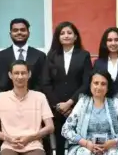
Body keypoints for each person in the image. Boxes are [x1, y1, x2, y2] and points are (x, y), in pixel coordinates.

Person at [43, 22, 93, 155]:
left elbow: (87, 83)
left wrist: (70, 103)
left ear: (75, 37)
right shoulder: (52, 55)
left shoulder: (84, 55)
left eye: (69, 33)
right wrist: (58, 105)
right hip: (56, 110)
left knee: (78, 145)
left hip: (78, 107)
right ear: (58, 37)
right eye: (62, 33)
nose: (66, 36)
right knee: (58, 144)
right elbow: (46, 83)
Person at [60, 72, 118, 155]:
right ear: (90, 85)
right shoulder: (82, 102)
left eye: (103, 84)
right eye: (96, 83)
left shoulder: (114, 103)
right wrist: (85, 143)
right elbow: (65, 129)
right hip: (85, 146)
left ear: (108, 88)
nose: (99, 87)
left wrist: (114, 141)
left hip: (111, 146)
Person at [0, 61, 55, 155]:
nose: (20, 77)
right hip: (9, 146)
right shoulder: (0, 97)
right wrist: (7, 138)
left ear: (29, 74)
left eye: (23, 73)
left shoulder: (40, 97)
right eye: (16, 73)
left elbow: (50, 127)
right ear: (10, 75)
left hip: (34, 145)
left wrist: (31, 138)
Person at [0, 18, 48, 92]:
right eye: (15, 30)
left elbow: (43, 81)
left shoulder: (40, 56)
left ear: (28, 33)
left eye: (23, 30)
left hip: (33, 97)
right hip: (7, 97)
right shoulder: (1, 56)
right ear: (10, 34)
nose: (19, 32)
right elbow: (0, 83)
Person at [95, 27, 118, 93]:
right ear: (105, 43)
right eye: (110, 40)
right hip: (103, 98)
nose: (113, 43)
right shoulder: (98, 63)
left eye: (116, 40)